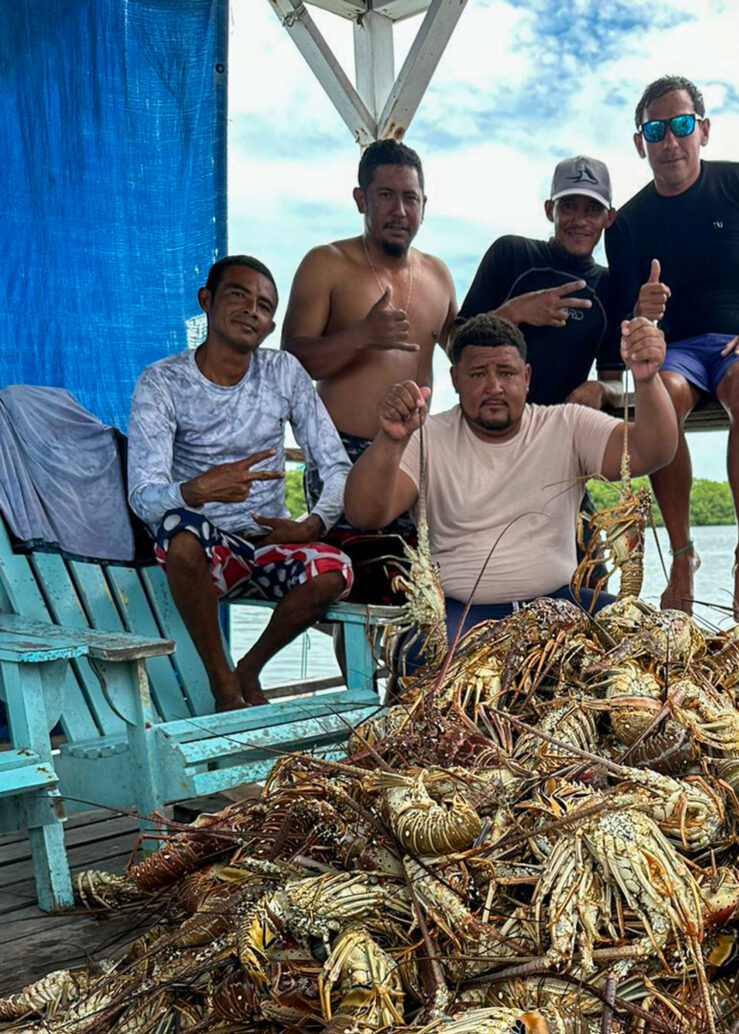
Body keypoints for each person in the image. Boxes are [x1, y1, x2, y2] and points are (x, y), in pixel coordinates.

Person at [603, 74, 739, 618]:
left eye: (681, 126)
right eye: (656, 130)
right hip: (675, 352)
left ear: (703, 130)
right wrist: (641, 312)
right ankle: (682, 553)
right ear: (640, 142)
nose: (670, 142)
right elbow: (624, 324)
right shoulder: (625, 223)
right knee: (661, 399)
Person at [342, 313, 678, 641]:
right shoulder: (426, 437)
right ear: (456, 379)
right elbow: (365, 514)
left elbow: (653, 451)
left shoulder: (567, 425)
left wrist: (647, 379)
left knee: (652, 638)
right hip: (462, 613)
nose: (494, 387)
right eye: (477, 375)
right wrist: (390, 439)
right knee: (417, 655)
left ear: (527, 376)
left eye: (506, 372)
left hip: (563, 603)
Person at [128, 256, 352, 712]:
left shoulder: (284, 372)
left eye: (265, 305)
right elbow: (143, 497)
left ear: (270, 326)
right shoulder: (163, 381)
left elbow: (336, 466)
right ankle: (222, 684)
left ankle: (248, 668)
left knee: (335, 569)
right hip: (203, 554)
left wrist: (311, 524)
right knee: (182, 536)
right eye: (238, 295)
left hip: (265, 545)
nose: (253, 309)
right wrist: (198, 490)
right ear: (206, 301)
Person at [282, 140, 457, 599]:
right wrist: (362, 335)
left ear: (424, 205)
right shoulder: (327, 263)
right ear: (361, 199)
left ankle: (408, 674)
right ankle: (362, 674)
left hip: (414, 453)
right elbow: (291, 361)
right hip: (339, 451)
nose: (399, 210)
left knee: (424, 583)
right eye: (386, 196)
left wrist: (513, 315)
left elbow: (468, 354)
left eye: (410, 198)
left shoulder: (438, 274)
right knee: (360, 585)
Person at [457, 156, 616, 409]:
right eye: (569, 206)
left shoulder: (609, 286)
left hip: (559, 430)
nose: (580, 219)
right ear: (549, 209)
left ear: (609, 217)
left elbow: (615, 382)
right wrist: (513, 313)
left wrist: (600, 388)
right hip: (487, 428)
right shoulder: (510, 254)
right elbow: (455, 345)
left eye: (593, 209)